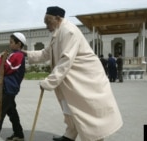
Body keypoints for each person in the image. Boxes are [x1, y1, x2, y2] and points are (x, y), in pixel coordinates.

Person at [22, 6, 123, 141]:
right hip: (72, 81)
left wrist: (48, 82)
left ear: (58, 18)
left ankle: (96, 139)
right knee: (69, 109)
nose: (46, 26)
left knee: (87, 113)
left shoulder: (68, 31)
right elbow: (46, 53)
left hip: (85, 80)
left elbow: (66, 60)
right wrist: (26, 54)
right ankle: (69, 136)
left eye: (48, 22)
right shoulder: (57, 33)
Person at [0, 32, 26, 141]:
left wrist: (0, 58)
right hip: (9, 87)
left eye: (11, 42)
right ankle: (19, 134)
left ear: (19, 44)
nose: (9, 44)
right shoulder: (14, 54)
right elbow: (4, 72)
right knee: (12, 112)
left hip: (9, 88)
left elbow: (6, 69)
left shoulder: (18, 55)